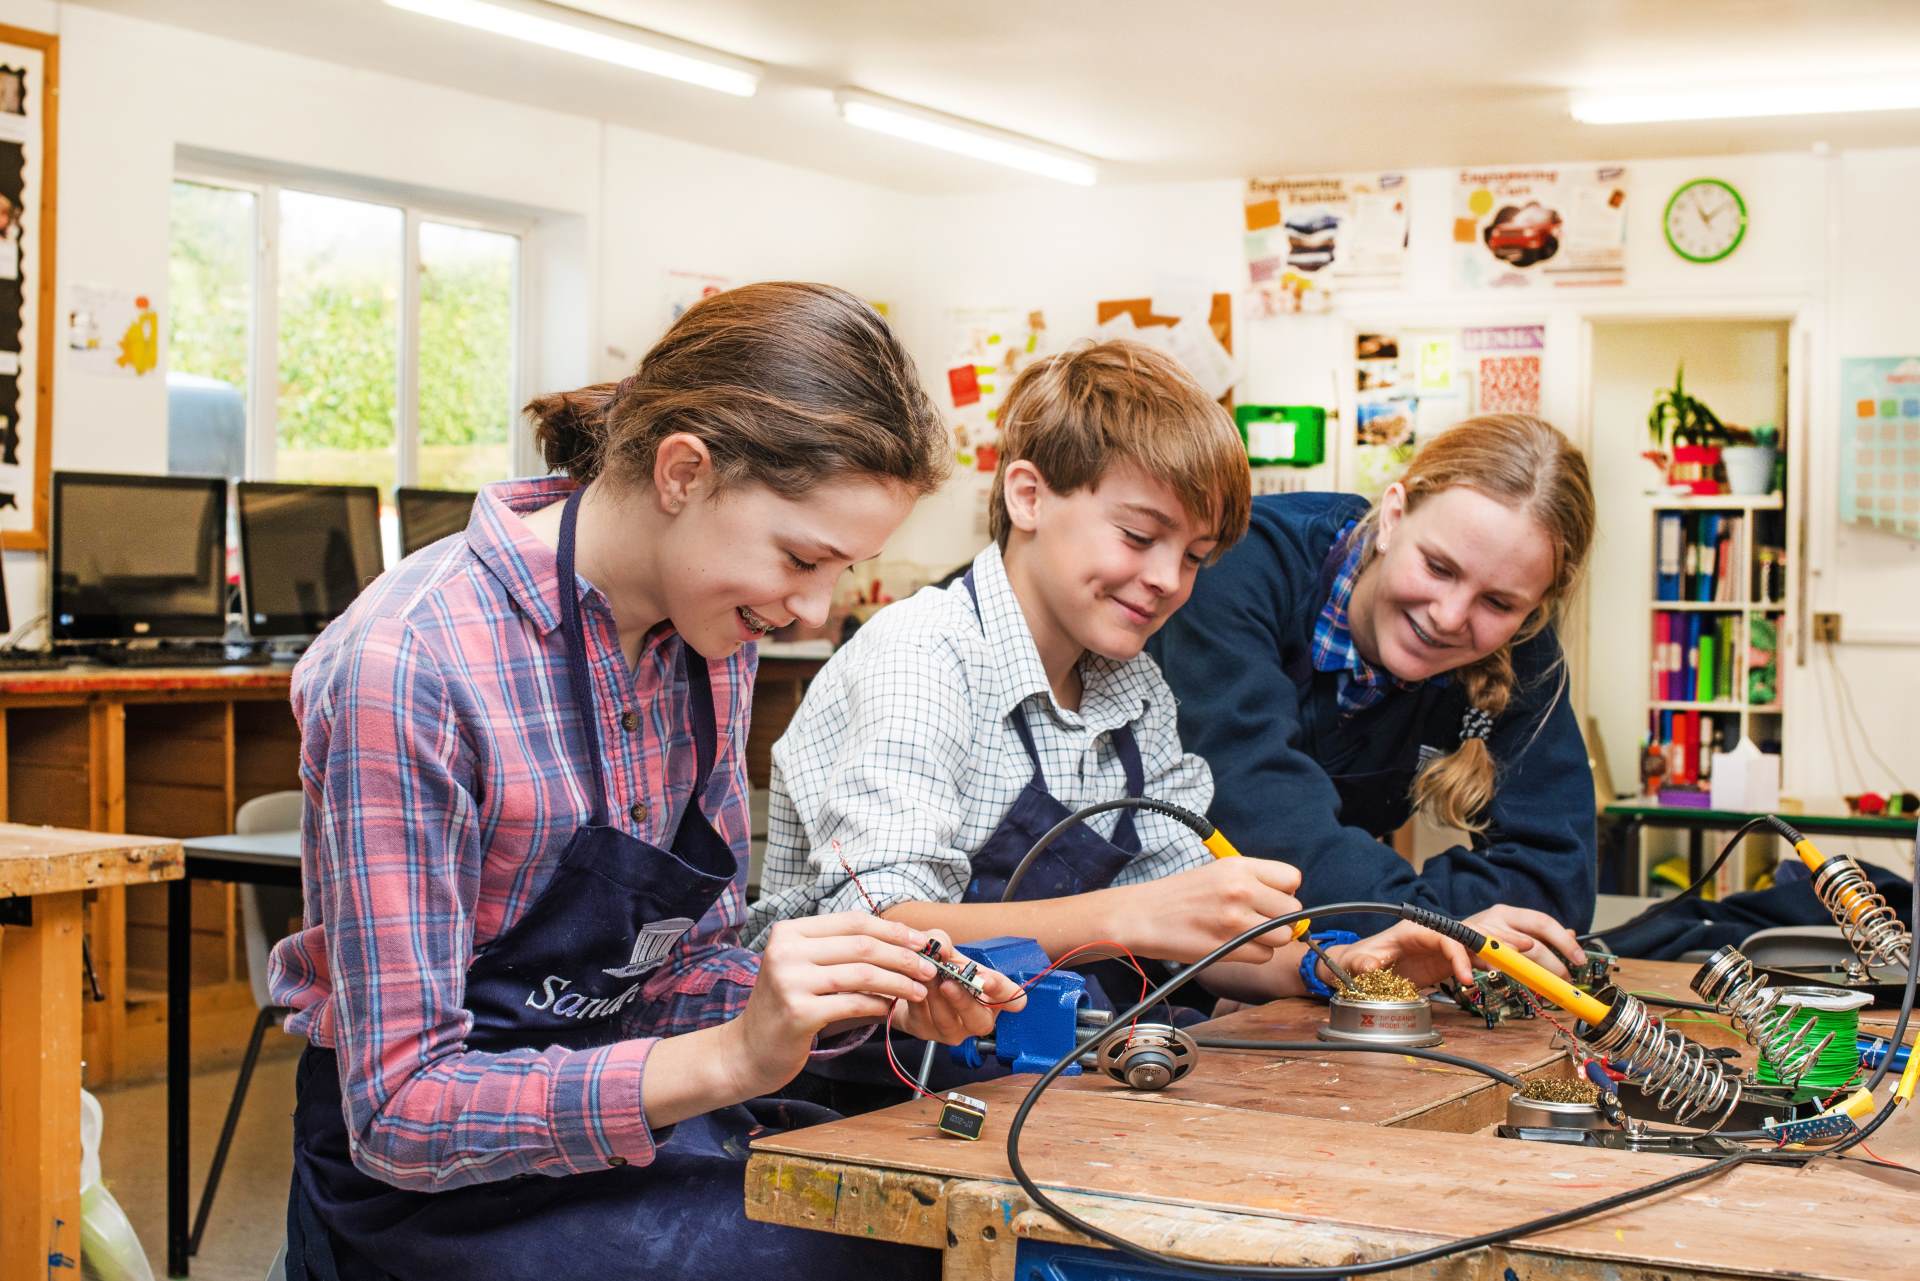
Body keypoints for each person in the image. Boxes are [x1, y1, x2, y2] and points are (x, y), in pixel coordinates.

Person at [268, 282, 1025, 1281]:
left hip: (629, 1127)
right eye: (801, 558)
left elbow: (668, 973)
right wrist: (730, 1060)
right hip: (425, 1200)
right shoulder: (411, 666)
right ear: (682, 471)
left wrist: (835, 996)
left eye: (840, 570)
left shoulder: (709, 634)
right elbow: (403, 1113)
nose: (810, 612)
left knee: (933, 1224)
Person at [748, 342, 1472, 1111]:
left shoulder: (1134, 690)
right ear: (1027, 495)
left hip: (1023, 1088)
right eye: (1138, 536)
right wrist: (1136, 912)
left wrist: (1335, 966)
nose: (1167, 580)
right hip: (850, 1101)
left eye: (1194, 557)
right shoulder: (922, 657)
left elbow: (1202, 936)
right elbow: (879, 930)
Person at [1150, 414, 1598, 973]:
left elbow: (1556, 881)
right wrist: (1447, 931)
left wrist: (1419, 928)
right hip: (1158, 962)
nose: (1450, 616)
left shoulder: (1519, 641)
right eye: (1437, 567)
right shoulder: (1240, 565)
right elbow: (1265, 823)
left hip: (1318, 966)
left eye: (1499, 604)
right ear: (1392, 517)